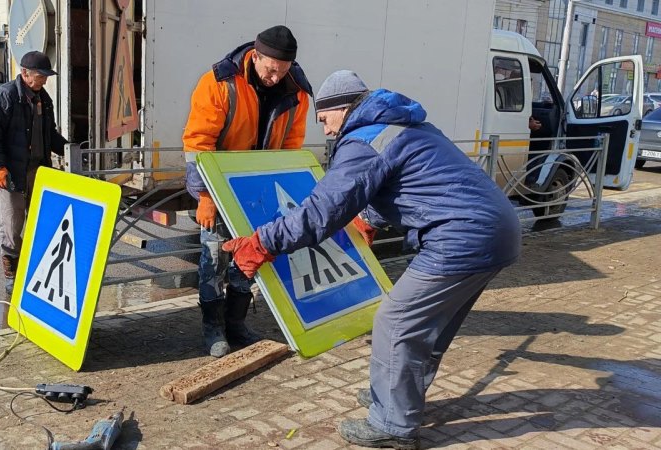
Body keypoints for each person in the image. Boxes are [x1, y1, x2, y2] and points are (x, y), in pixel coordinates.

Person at [222, 70, 521, 449]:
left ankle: (393, 426)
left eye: (324, 119)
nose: (327, 132)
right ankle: (400, 401)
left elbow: (320, 212)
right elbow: (410, 182)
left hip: (461, 237)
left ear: (342, 109)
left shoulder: (364, 140)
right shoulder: (406, 126)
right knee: (431, 326)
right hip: (498, 231)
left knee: (396, 323)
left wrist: (263, 242)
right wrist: (370, 220)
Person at [182, 25, 312, 358]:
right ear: (255, 56)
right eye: (270, 69)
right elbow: (198, 146)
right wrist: (206, 197)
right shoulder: (218, 83)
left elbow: (292, 148)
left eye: (282, 71)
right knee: (213, 259)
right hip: (219, 190)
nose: (274, 77)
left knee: (250, 258)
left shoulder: (297, 92)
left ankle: (236, 323)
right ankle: (213, 329)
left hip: (260, 192)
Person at [0, 51, 68, 294]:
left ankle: (35, 267)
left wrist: (70, 150)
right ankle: (12, 273)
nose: (44, 81)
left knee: (40, 220)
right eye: (40, 76)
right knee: (12, 223)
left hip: (38, 170)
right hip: (11, 172)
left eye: (46, 76)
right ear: (24, 73)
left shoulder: (43, 99)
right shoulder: (6, 96)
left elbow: (50, 135)